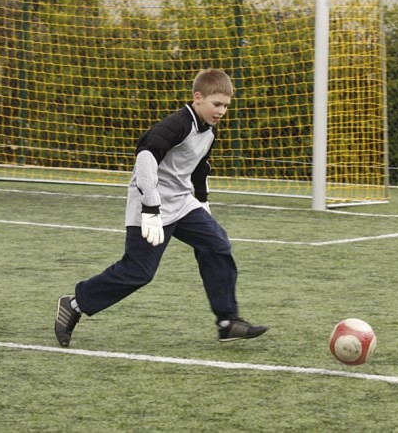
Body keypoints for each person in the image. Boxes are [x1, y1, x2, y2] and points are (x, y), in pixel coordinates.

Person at [55, 68, 268, 347]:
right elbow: (145, 155)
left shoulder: (209, 130)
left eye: (226, 106)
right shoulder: (178, 123)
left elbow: (199, 168)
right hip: (149, 203)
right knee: (138, 272)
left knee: (217, 244)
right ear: (198, 98)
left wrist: (203, 203)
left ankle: (227, 322)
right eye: (217, 104)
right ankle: (74, 304)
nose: (221, 111)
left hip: (182, 203)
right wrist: (151, 209)